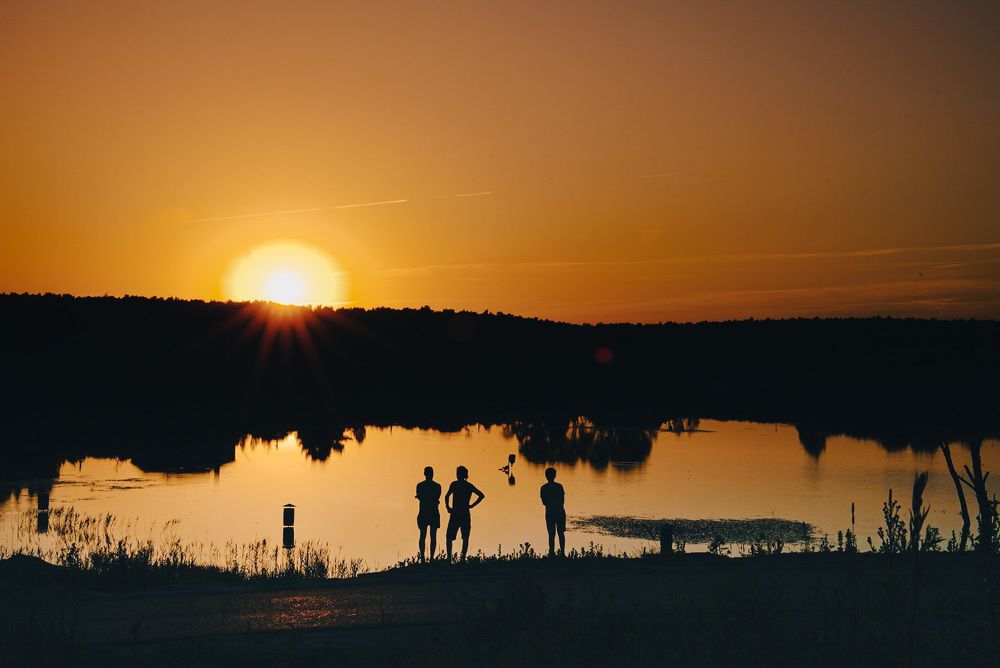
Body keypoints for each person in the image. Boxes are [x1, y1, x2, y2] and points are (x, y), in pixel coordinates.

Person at [445, 465, 485, 561]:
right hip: (465, 514)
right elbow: (481, 495)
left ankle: (449, 558)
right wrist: (472, 505)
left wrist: (448, 507)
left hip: (455, 514)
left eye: (457, 473)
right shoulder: (469, 486)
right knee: (465, 537)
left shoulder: (454, 484)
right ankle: (462, 558)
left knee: (449, 537)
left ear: (459, 474)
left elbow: (447, 496)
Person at [415, 466, 442, 562]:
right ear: (432, 474)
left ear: (424, 474)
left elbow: (420, 497)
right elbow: (436, 498)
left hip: (424, 512)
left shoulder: (420, 486)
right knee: (433, 535)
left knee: (423, 535)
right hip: (433, 512)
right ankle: (431, 558)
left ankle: (422, 557)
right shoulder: (437, 486)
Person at [540, 467, 566, 556]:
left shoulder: (543, 488)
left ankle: (552, 553)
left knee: (551, 534)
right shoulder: (559, 486)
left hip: (550, 513)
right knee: (561, 533)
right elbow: (562, 501)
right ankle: (562, 553)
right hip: (560, 512)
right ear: (555, 475)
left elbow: (544, 502)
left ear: (546, 476)